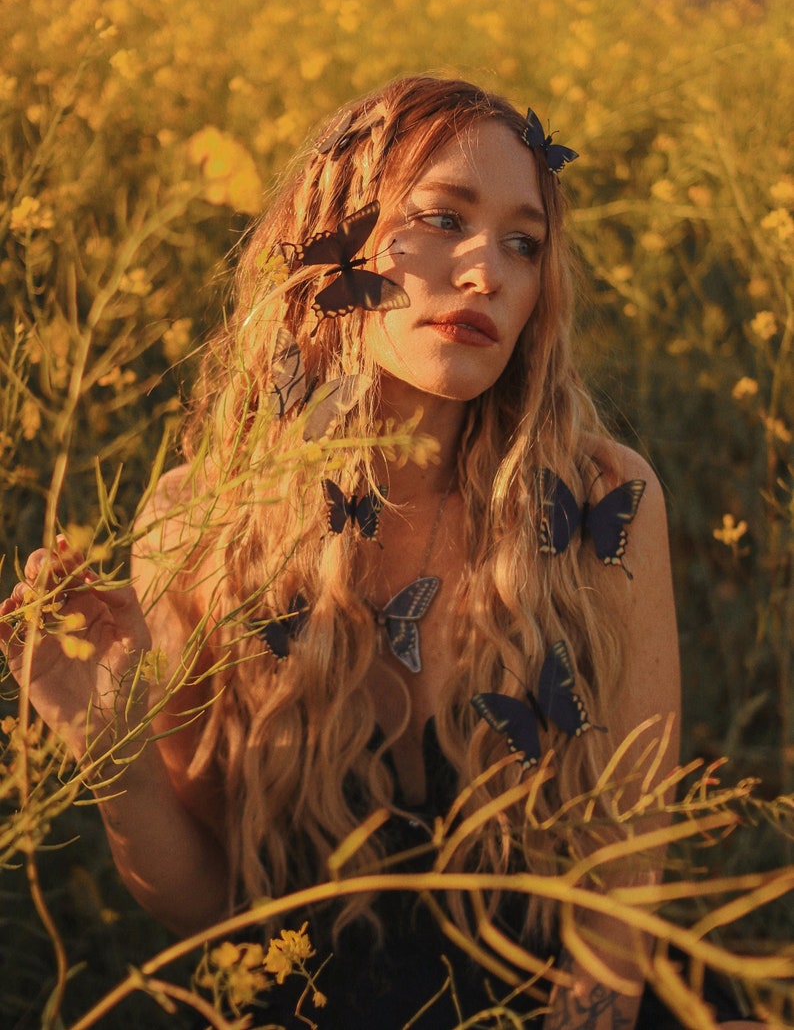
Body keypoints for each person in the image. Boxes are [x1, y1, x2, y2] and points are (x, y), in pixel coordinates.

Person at [0, 76, 759, 1028]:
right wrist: (114, 754)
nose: (486, 269)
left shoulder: (609, 497)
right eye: (442, 218)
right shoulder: (198, 520)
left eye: (525, 243)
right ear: (334, 235)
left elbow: (623, 870)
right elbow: (203, 904)